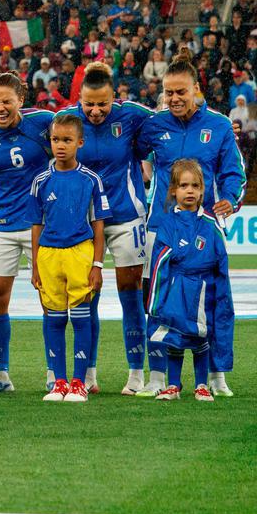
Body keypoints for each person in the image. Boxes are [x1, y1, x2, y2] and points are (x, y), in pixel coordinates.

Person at [138, 50, 245, 397]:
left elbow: (234, 172)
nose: (174, 98)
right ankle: (157, 377)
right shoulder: (154, 126)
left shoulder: (218, 125)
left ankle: (216, 376)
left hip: (205, 229)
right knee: (157, 301)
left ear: (196, 89)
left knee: (212, 301)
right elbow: (128, 154)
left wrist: (229, 199)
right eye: (168, 92)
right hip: (161, 228)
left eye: (181, 92)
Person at [59, 62, 155, 395]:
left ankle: (135, 374)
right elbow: (20, 115)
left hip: (127, 217)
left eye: (103, 103)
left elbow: (170, 118)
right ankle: (87, 374)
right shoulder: (68, 120)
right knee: (88, 297)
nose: (96, 111)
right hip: (85, 222)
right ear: (80, 99)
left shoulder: (132, 115)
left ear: (115, 97)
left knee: (131, 296)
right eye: (90, 104)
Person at [0, 71, 54, 393]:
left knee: (50, 299)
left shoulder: (43, 122)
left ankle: (53, 372)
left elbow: (78, 124)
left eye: (7, 101)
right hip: (2, 224)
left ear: (21, 100)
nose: (1, 108)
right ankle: (1, 375)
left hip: (40, 224)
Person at [29, 115, 110, 403]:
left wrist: (97, 265)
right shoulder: (40, 180)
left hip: (80, 252)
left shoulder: (91, 179)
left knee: (80, 318)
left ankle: (79, 382)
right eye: (55, 140)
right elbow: (36, 225)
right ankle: (59, 382)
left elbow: (99, 224)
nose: (60, 146)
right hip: (49, 255)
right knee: (54, 319)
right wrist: (36, 264)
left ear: (79, 142)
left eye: (66, 140)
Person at [147, 159, 234, 402]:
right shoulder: (167, 223)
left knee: (200, 337)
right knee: (175, 336)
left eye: (195, 186)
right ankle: (173, 384)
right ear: (173, 190)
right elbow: (160, 259)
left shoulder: (210, 224)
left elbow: (220, 261)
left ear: (203, 190)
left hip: (203, 290)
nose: (190, 191)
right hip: (176, 289)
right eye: (184, 186)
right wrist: (158, 299)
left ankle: (202, 385)